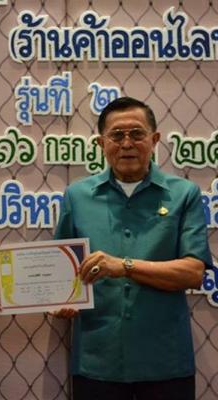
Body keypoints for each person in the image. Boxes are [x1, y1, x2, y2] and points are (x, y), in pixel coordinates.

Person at [54, 97, 212, 400]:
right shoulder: (77, 196)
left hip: (166, 362)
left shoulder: (184, 194)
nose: (127, 143)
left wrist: (124, 266)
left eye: (137, 134)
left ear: (154, 140)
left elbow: (193, 273)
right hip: (96, 363)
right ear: (101, 143)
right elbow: (59, 272)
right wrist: (59, 300)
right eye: (116, 135)